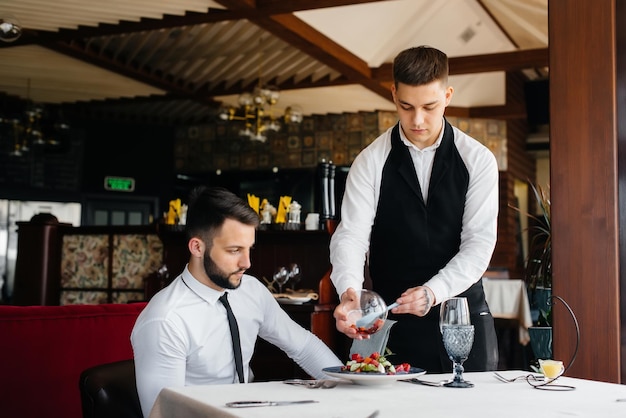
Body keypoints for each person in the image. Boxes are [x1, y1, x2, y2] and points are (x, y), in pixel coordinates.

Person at [330, 45, 499, 373]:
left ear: (448, 95)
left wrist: (433, 292)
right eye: (406, 106)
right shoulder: (370, 161)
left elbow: (479, 245)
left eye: (429, 106)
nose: (417, 119)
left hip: (462, 321)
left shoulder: (478, 160)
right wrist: (349, 290)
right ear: (393, 94)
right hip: (392, 326)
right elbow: (350, 236)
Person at [132, 186, 342, 417]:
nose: (247, 263)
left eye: (249, 249)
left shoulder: (251, 290)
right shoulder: (165, 319)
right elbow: (163, 413)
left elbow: (304, 347)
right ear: (197, 247)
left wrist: (349, 389)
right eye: (234, 250)